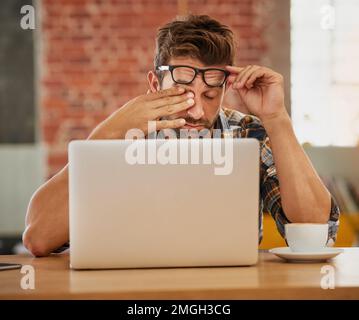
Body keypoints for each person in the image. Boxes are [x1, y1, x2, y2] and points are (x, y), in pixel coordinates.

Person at [23, 14, 340, 257]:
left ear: (224, 90)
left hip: (228, 291)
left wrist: (276, 118)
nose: (197, 112)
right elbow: (38, 238)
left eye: (209, 96)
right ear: (153, 84)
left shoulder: (248, 134)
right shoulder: (120, 137)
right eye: (183, 94)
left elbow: (318, 233)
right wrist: (106, 136)